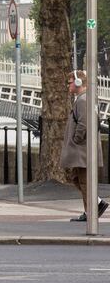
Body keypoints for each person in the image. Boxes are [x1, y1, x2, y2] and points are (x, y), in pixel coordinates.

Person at [61, 70, 108, 221]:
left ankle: (94, 208)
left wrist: (76, 139)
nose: (68, 86)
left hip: (82, 149)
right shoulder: (88, 98)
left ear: (78, 83)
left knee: (83, 180)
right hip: (84, 148)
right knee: (76, 178)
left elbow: (83, 123)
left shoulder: (82, 100)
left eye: (69, 82)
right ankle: (93, 207)